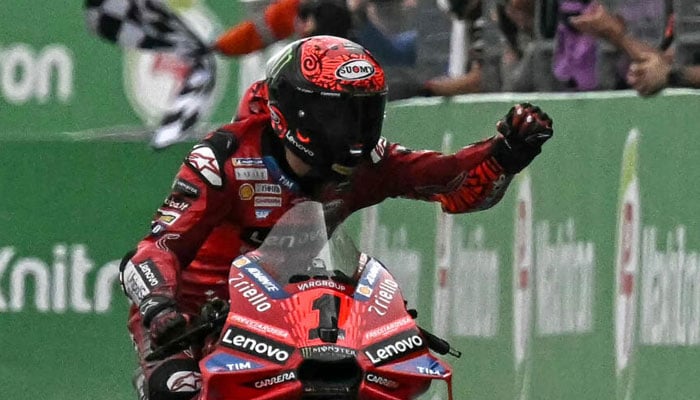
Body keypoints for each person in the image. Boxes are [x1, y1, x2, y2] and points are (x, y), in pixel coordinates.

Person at [118, 35, 554, 400]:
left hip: (288, 316)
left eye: (365, 112)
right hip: (192, 323)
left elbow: (454, 185)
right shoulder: (225, 157)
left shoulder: (370, 162)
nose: (356, 129)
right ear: (294, 110)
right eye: (340, 113)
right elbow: (154, 250)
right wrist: (160, 307)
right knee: (177, 390)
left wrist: (505, 156)